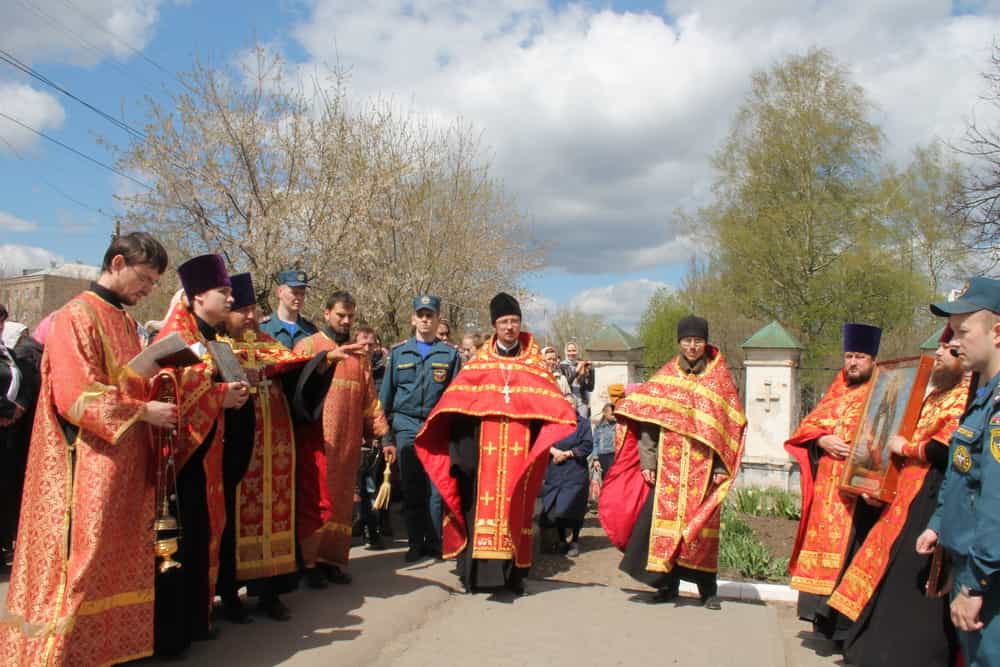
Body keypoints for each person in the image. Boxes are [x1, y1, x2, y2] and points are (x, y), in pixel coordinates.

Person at [0, 233, 178, 666]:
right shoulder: (76, 316)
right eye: (144, 279)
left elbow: (126, 381)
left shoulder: (124, 321)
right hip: (86, 467)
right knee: (82, 566)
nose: (148, 290)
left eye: (154, 283)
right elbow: (75, 394)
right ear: (117, 263)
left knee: (117, 564)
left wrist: (158, 380)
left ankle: (109, 652)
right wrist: (143, 410)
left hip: (125, 465)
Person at [415, 293, 577, 595]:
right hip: (483, 456)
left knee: (517, 511)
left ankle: (514, 577)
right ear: (494, 326)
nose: (510, 327)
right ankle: (477, 577)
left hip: (520, 453)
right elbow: (459, 408)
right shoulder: (479, 363)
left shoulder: (534, 365)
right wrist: (463, 457)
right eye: (504, 322)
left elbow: (549, 407)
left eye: (514, 321)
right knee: (479, 509)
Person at [828, 326, 969, 666]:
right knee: (884, 566)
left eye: (947, 348)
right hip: (905, 490)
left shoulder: (964, 396)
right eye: (938, 347)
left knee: (910, 575)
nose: (938, 353)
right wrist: (876, 482)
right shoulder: (936, 394)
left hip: (931, 495)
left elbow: (946, 450)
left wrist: (906, 448)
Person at [599, 315, 746, 610]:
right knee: (662, 528)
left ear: (705, 343)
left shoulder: (720, 381)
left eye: (697, 341)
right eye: (687, 340)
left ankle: (708, 591)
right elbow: (647, 423)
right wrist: (648, 462)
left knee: (701, 531)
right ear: (680, 342)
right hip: (668, 467)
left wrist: (720, 467)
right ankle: (667, 586)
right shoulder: (666, 377)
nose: (692, 346)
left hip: (704, 469)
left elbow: (729, 429)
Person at [153, 253, 251, 653]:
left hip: (209, 456)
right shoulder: (176, 336)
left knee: (203, 536)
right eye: (223, 292)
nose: (231, 299)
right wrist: (219, 397)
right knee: (184, 541)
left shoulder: (209, 335)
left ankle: (197, 618)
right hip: (183, 462)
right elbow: (167, 392)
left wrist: (233, 391)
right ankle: (174, 633)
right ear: (197, 297)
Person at [216, 273, 313, 623]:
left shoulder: (270, 343)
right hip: (239, 448)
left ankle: (271, 593)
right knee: (233, 520)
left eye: (253, 310)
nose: (249, 317)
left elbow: (296, 376)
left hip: (277, 448)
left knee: (276, 516)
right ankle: (230, 596)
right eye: (242, 310)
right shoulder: (218, 346)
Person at [916, 278, 1000, 666]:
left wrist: (974, 584)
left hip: (989, 578)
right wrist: (938, 524)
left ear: (997, 332)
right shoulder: (981, 394)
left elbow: (995, 503)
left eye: (963, 332)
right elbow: (965, 474)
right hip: (970, 563)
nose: (954, 343)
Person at [785, 323, 881, 639]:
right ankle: (820, 620)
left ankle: (844, 630)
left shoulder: (882, 390)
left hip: (859, 493)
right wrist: (822, 440)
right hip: (827, 493)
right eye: (849, 356)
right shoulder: (837, 390)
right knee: (823, 551)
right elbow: (808, 429)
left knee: (853, 554)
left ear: (873, 359)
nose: (852, 362)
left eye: (860, 357)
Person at [293, 291, 389, 587]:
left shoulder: (359, 355)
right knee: (314, 501)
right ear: (326, 314)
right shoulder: (308, 346)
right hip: (316, 442)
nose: (346, 321)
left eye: (350, 316)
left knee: (342, 502)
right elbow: (296, 391)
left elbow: (370, 400)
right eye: (340, 315)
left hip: (347, 444)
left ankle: (331, 561)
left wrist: (383, 436)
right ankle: (308, 563)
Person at [381, 295, 461, 562]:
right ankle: (416, 543)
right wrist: (386, 439)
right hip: (406, 426)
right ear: (413, 319)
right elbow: (385, 398)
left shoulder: (450, 354)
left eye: (430, 316)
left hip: (436, 429)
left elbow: (455, 398)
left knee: (437, 491)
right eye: (421, 315)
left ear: (438, 320)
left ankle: (435, 541)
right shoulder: (398, 353)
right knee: (413, 488)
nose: (425, 320)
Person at [0, 308, 42, 569]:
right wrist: (4, 410)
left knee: (6, 489)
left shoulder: (10, 355)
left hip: (10, 435)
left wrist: (20, 407)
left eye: (1, 322)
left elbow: (26, 383)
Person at [540, 412, 594, 556]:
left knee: (574, 507)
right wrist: (554, 451)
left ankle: (575, 540)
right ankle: (562, 540)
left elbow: (587, 445)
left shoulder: (583, 423)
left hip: (575, 470)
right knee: (556, 507)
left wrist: (567, 454)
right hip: (556, 469)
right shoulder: (552, 420)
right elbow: (542, 440)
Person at [260, 269, 318, 349]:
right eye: (294, 293)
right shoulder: (263, 328)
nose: (299, 297)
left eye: (302, 294)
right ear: (280, 292)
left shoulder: (311, 330)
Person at [559, 341, 594, 417]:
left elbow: (590, 388)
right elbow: (565, 385)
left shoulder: (582, 364)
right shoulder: (561, 366)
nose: (572, 353)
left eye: (574, 350)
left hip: (582, 400)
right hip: (568, 399)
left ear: (577, 351)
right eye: (569, 351)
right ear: (565, 352)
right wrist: (576, 371)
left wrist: (591, 371)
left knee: (583, 422)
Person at [592, 402, 617, 478]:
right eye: (612, 414)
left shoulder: (617, 425)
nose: (614, 416)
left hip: (615, 454)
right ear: (604, 413)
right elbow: (595, 443)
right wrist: (595, 459)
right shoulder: (599, 427)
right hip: (603, 456)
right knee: (606, 478)